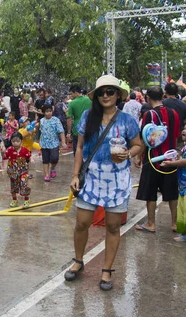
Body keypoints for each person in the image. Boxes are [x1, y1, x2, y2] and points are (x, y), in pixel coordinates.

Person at [65, 75, 142, 291]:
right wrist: (74, 174)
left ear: (118, 94)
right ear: (96, 96)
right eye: (101, 92)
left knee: (112, 226)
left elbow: (138, 145)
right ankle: (78, 262)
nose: (105, 95)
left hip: (117, 181)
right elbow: (79, 147)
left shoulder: (127, 120)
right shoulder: (88, 116)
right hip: (90, 179)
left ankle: (107, 270)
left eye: (110, 91)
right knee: (81, 223)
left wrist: (128, 154)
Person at [134, 86, 181, 233]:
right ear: (163, 96)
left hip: (152, 158)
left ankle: (151, 223)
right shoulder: (174, 113)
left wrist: (137, 156)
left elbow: (144, 139)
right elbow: (177, 135)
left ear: (148, 98)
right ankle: (174, 223)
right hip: (171, 158)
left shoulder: (149, 114)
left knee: (151, 191)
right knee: (172, 192)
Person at [0, 132, 32, 207]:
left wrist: (28, 169)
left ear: (21, 141)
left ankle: (27, 200)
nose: (15, 143)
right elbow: (4, 157)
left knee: (24, 184)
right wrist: (2, 152)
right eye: (13, 141)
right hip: (13, 171)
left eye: (17, 141)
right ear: (11, 141)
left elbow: (28, 158)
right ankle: (14, 200)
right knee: (13, 186)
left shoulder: (25, 150)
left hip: (23, 171)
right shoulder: (9, 150)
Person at [39, 105, 67, 181]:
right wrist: (39, 145)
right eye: (47, 111)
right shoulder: (41, 121)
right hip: (44, 144)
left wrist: (63, 142)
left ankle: (53, 168)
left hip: (54, 143)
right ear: (44, 112)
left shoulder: (56, 120)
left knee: (55, 158)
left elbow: (61, 131)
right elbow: (41, 132)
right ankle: (47, 175)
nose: (49, 113)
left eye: (50, 111)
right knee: (45, 160)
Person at [67, 84, 92, 154]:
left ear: (75, 92)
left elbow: (69, 118)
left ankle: (79, 164)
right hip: (90, 128)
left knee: (78, 150)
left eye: (71, 94)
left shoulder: (72, 103)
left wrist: (69, 132)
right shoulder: (89, 100)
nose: (71, 96)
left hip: (77, 130)